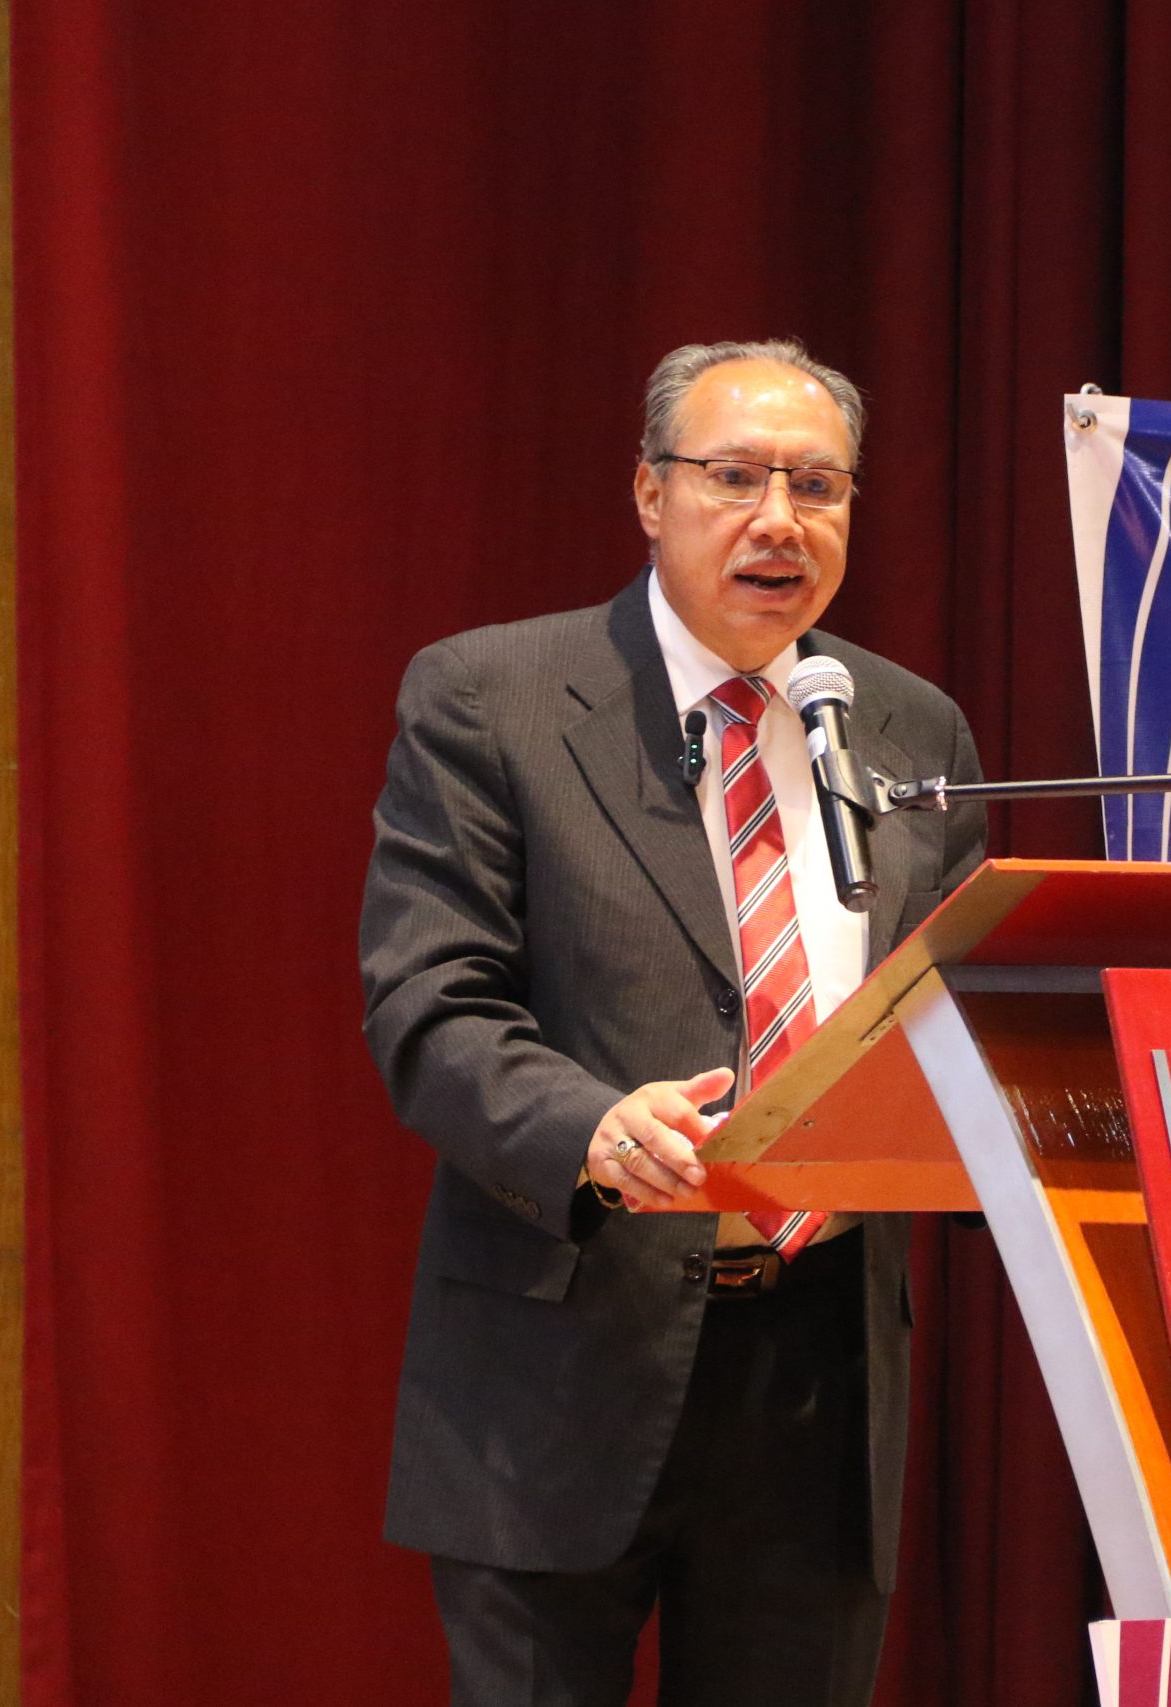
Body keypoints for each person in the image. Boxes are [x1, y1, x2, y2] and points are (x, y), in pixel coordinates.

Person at [360, 338, 987, 1707]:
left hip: (821, 1378)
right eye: (735, 477)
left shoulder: (908, 728)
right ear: (650, 493)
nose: (780, 519)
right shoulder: (493, 698)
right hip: (561, 1360)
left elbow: (955, 1021)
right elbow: (428, 1001)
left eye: (817, 486)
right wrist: (587, 1127)